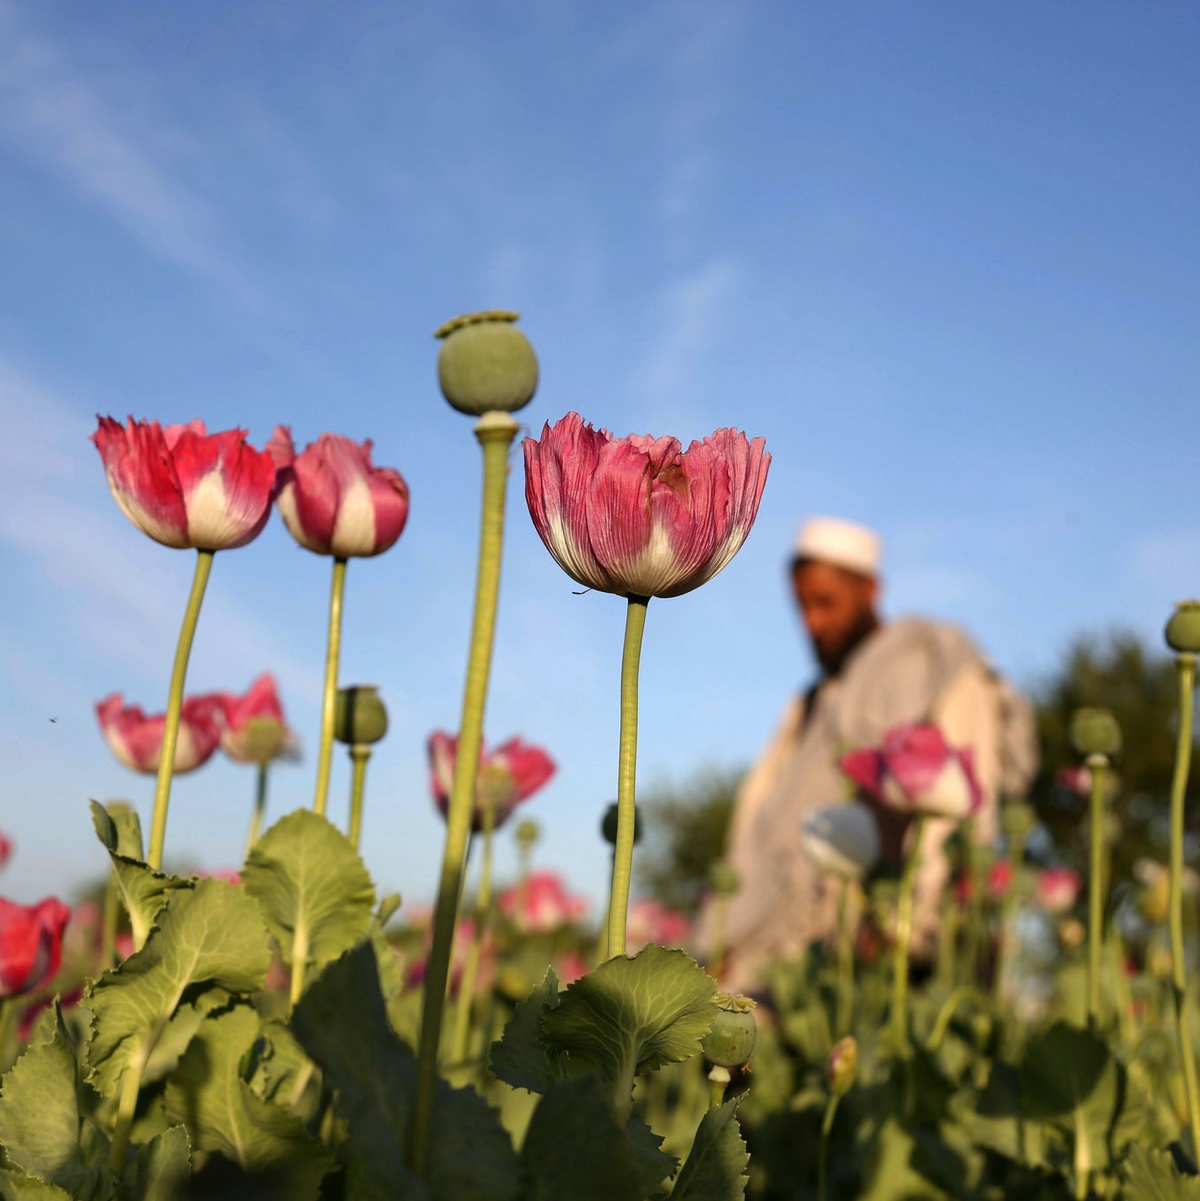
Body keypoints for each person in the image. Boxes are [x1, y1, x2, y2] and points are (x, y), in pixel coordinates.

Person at [711, 516, 1037, 992]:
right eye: (801, 606)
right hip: (780, 958)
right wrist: (727, 934)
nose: (811, 623)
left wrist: (906, 925)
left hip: (887, 952)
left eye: (825, 603)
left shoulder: (932, 661)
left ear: (869, 589)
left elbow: (963, 804)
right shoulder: (810, 705)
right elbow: (756, 826)